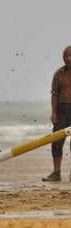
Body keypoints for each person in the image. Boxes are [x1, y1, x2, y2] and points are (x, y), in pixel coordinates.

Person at [43, 45, 71, 181]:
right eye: (66, 56)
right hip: (61, 110)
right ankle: (56, 173)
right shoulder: (59, 74)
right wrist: (53, 112)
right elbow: (54, 94)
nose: (68, 58)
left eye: (70, 56)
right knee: (56, 142)